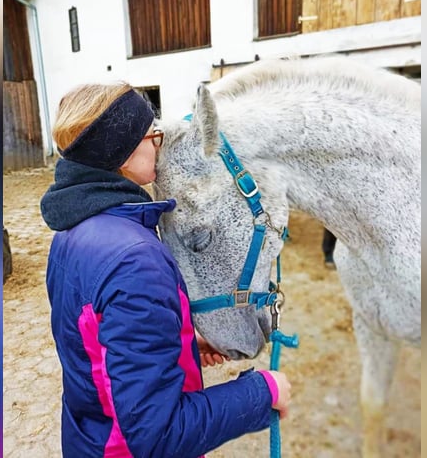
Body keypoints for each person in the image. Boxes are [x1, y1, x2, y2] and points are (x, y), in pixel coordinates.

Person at [40, 82, 292, 457]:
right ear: (121, 153)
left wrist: (178, 344)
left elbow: (101, 348)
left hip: (92, 439)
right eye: (151, 135)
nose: (158, 144)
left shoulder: (73, 233)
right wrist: (262, 393)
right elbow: (157, 436)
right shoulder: (134, 258)